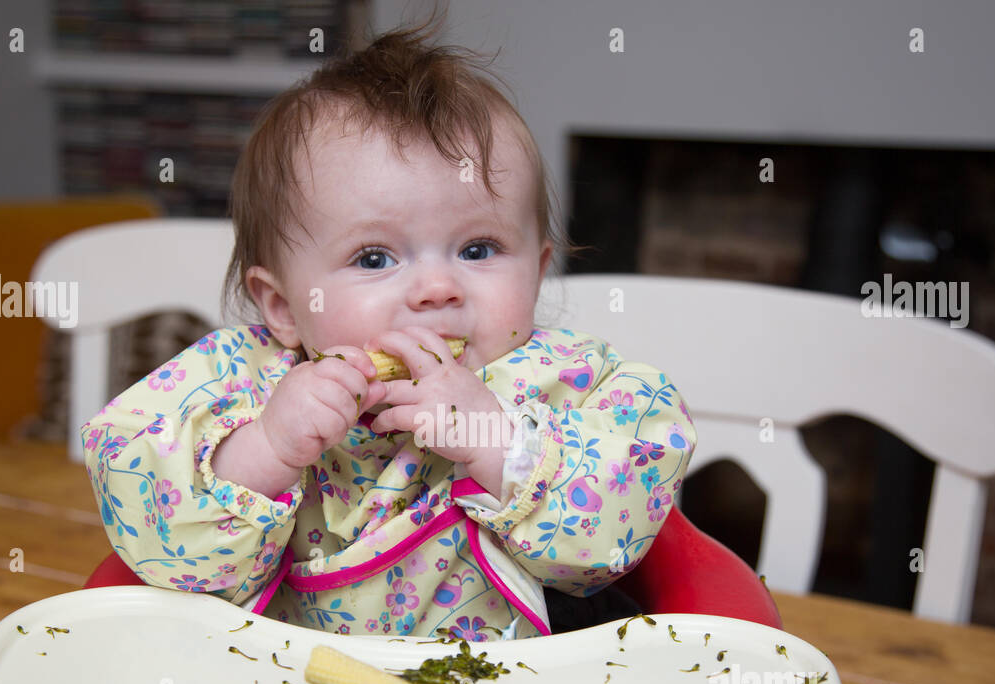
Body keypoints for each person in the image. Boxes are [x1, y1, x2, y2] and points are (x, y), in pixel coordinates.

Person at [82, 18, 697, 643]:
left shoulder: (573, 383)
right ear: (285, 306)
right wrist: (264, 451)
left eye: (479, 249)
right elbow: (148, 527)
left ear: (537, 273)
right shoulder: (238, 379)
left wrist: (496, 441)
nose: (437, 287)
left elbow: (619, 533)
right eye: (375, 258)